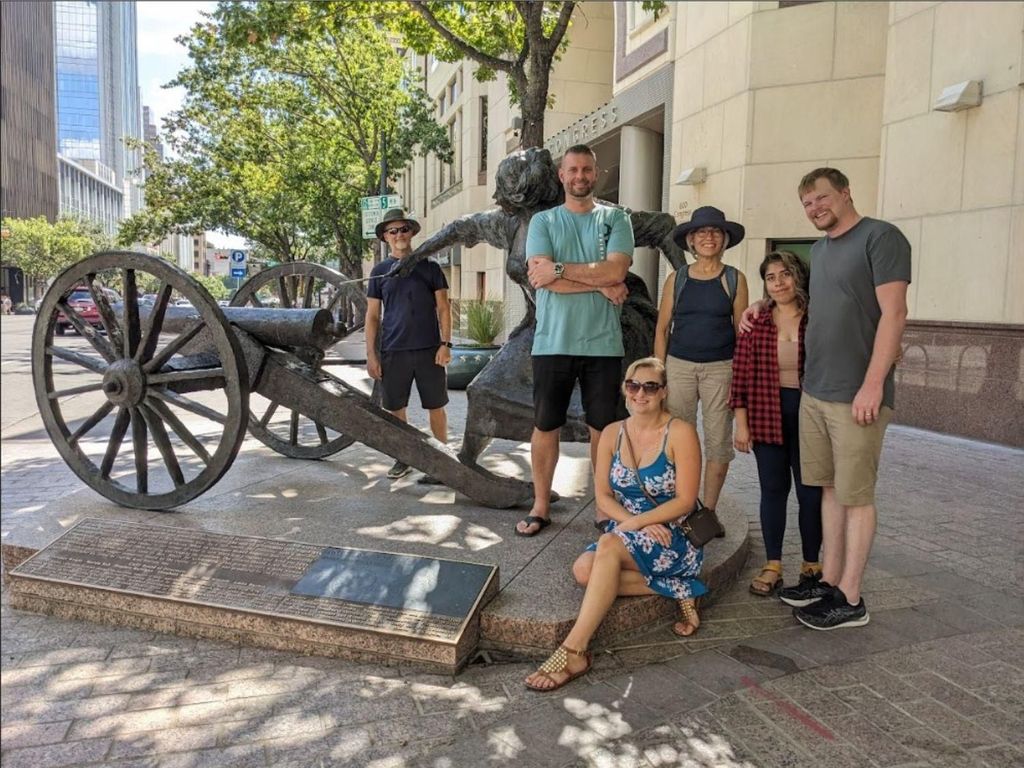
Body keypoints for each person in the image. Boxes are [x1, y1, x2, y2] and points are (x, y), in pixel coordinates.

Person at [742, 168, 910, 630]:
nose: (815, 208)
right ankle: (828, 580)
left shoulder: (881, 237)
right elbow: (812, 304)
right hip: (814, 392)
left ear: (845, 193)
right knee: (830, 492)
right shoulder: (819, 250)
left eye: (821, 198)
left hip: (856, 395)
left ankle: (851, 598)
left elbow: (895, 315)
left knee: (856, 496)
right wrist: (761, 304)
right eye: (807, 204)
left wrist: (873, 385)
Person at [524, 357, 704, 691]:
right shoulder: (611, 433)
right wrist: (634, 523)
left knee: (606, 546)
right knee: (583, 570)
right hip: (631, 527)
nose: (641, 393)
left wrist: (641, 523)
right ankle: (683, 587)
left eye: (650, 386)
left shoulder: (680, 433)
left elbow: (685, 501)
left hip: (671, 532)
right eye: (634, 385)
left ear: (663, 392)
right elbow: (603, 497)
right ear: (625, 390)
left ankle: (574, 649)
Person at [516, 143, 634, 537]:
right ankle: (541, 505)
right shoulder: (543, 222)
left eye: (586, 169)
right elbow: (540, 278)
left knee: (603, 427)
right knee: (545, 425)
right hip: (553, 342)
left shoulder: (616, 218)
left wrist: (562, 271)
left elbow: (616, 269)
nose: (580, 176)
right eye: (572, 170)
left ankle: (604, 506)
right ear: (561, 176)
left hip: (603, 344)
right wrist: (601, 285)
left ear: (595, 174)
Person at [729, 251, 822, 597]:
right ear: (765, 283)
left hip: (812, 413)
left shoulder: (817, 317)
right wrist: (741, 423)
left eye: (786, 274)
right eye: (771, 277)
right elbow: (739, 375)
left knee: (811, 492)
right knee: (772, 490)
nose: (779, 282)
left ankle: (812, 565)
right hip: (767, 412)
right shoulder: (756, 321)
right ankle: (773, 564)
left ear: (798, 277)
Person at [654, 206, 749, 517]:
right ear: (691, 241)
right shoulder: (676, 279)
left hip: (721, 369)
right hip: (679, 366)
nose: (709, 237)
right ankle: (680, 504)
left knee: (718, 441)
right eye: (702, 232)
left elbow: (742, 333)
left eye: (715, 232)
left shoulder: (735, 279)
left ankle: (707, 512)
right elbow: (662, 327)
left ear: (724, 240)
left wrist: (741, 376)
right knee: (678, 437)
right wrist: (659, 372)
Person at [365, 209, 453, 482]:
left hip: (429, 350)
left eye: (404, 229)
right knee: (396, 408)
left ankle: (443, 458)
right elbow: (372, 316)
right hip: (393, 351)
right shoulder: (379, 272)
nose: (399, 235)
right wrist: (371, 355)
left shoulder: (430, 268)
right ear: (385, 237)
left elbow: (443, 308)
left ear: (412, 233)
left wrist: (445, 344)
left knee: (436, 406)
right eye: (393, 231)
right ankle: (402, 457)